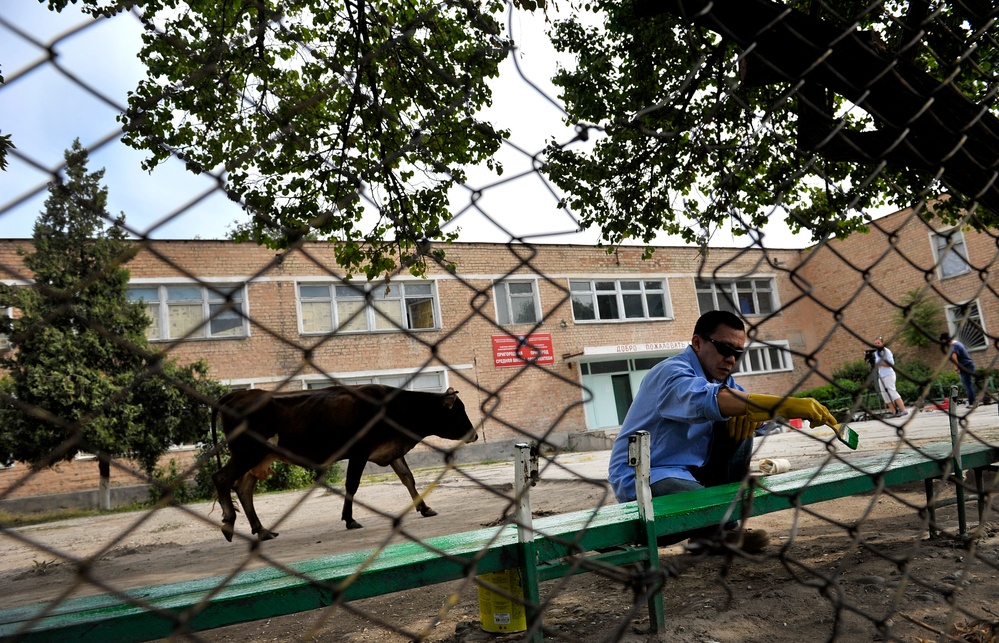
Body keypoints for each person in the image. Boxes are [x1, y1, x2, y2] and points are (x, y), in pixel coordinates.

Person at [606, 310, 840, 554]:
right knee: (695, 499)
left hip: (694, 470)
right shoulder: (672, 372)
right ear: (697, 343)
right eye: (725, 349)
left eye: (738, 353)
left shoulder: (723, 381)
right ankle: (710, 532)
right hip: (647, 473)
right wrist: (784, 404)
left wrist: (756, 419)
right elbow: (707, 399)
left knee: (743, 424)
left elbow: (740, 402)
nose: (731, 359)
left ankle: (717, 531)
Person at [873, 336, 907, 418]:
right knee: (885, 394)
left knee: (892, 391)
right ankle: (894, 411)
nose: (877, 345)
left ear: (882, 343)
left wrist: (880, 363)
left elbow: (891, 364)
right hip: (881, 375)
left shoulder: (886, 352)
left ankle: (903, 410)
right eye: (875, 344)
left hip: (888, 374)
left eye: (878, 343)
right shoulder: (876, 353)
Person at [940, 332, 977, 406]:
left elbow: (954, 358)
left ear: (944, 340)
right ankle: (973, 401)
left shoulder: (953, 346)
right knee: (969, 384)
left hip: (965, 366)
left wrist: (956, 369)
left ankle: (972, 403)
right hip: (969, 364)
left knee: (967, 384)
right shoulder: (957, 343)